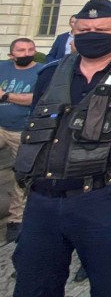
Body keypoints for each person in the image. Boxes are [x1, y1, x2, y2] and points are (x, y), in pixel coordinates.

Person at [13, 0, 111, 297]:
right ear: (73, 28)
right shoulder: (50, 74)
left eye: (101, 29)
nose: (91, 33)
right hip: (43, 200)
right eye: (84, 28)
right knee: (34, 284)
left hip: (105, 196)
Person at [0, 37, 44, 243]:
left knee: (22, 176)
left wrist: (5, 96)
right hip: (1, 126)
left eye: (30, 49)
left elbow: (34, 99)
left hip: (23, 130)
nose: (26, 53)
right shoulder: (3, 67)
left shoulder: (41, 71)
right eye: (21, 50)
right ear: (11, 54)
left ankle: (16, 220)